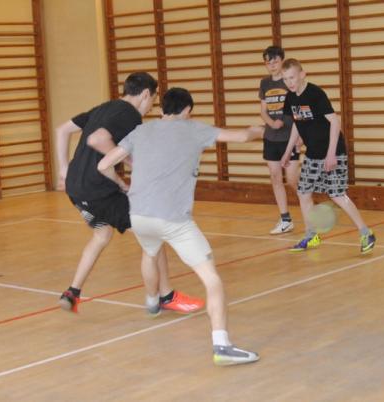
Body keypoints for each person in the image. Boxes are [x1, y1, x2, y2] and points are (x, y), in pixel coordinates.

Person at [97, 87, 261, 366]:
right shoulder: (193, 129)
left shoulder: (141, 131)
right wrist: (258, 131)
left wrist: (122, 184)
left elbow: (103, 165)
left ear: (162, 109)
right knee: (212, 279)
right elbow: (242, 137)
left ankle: (152, 302)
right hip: (174, 220)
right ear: (187, 111)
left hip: (139, 215)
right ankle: (222, 346)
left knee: (150, 253)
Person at [55, 72, 204, 314]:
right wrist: (127, 163)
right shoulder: (129, 114)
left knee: (102, 234)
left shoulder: (103, 108)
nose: (151, 106)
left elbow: (62, 130)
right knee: (154, 231)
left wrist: (63, 169)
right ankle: (166, 295)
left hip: (76, 188)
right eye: (153, 99)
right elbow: (97, 139)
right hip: (98, 189)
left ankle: (72, 292)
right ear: (145, 94)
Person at [280, 59, 376, 254]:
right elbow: (298, 124)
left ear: (302, 75)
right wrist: (288, 150)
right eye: (285, 79)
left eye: (292, 77)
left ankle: (366, 233)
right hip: (313, 153)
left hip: (333, 151)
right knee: (303, 192)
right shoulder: (290, 98)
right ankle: (311, 236)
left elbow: (335, 122)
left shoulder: (315, 94)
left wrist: (331, 154)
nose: (289, 82)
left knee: (336, 194)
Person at [258, 45, 300, 234]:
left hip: (290, 137)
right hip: (271, 137)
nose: (272, 65)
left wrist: (300, 137)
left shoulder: (289, 81)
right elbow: (263, 111)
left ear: (282, 61)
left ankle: (310, 208)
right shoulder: (264, 83)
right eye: (268, 62)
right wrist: (271, 123)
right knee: (275, 177)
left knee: (292, 179)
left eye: (275, 61)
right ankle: (285, 219)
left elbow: (299, 109)